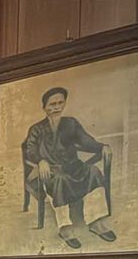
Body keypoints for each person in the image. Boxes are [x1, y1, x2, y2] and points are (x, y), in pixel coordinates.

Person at [22, 86, 115, 250]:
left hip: (73, 166)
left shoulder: (71, 123)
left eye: (60, 103)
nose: (56, 107)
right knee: (59, 180)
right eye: (51, 104)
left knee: (93, 171)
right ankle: (65, 229)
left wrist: (102, 146)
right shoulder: (36, 129)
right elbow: (30, 150)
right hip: (51, 171)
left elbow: (85, 140)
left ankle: (96, 222)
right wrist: (41, 160)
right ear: (44, 107)